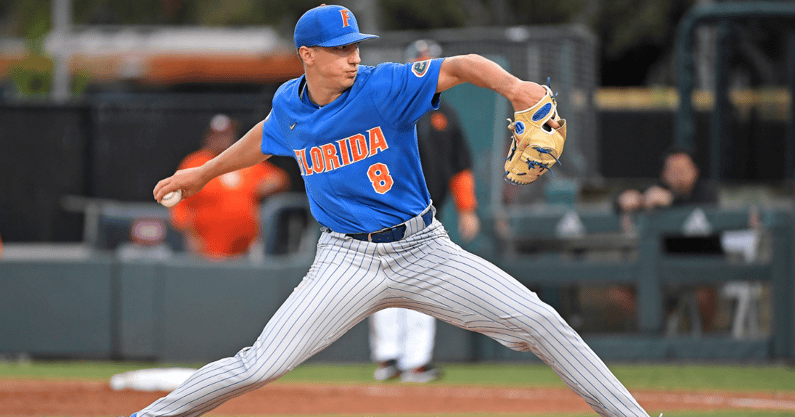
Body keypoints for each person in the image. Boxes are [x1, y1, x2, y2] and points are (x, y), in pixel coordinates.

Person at [141, 5, 651, 416]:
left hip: (425, 250)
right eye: (339, 50)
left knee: (542, 321)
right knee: (258, 366)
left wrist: (516, 89)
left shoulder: (383, 86)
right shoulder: (290, 104)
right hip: (345, 261)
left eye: (355, 46)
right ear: (308, 56)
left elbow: (461, 65)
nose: (352, 57)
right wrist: (202, 173)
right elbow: (271, 134)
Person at [369, 39, 480, 383]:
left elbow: (461, 166)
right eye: (419, 63)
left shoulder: (446, 115)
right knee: (382, 288)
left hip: (428, 215)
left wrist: (468, 209)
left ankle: (415, 362)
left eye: (429, 63)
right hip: (384, 213)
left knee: (422, 287)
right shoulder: (385, 108)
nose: (425, 68)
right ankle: (388, 358)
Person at [612, 147, 719, 332]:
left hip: (701, 265)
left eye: (683, 171)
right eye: (673, 171)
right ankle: (659, 332)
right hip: (662, 269)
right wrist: (624, 199)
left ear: (695, 171)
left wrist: (672, 201)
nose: (679, 177)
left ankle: (706, 339)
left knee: (705, 291)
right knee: (620, 292)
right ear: (664, 174)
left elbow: (705, 207)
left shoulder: (706, 192)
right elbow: (625, 199)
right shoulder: (658, 190)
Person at [169, 114, 290, 260]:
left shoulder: (242, 160)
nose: (223, 138)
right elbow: (179, 204)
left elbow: (279, 178)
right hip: (205, 249)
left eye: (227, 134)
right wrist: (190, 236)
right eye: (218, 135)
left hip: (245, 250)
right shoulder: (195, 163)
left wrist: (265, 186)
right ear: (208, 136)